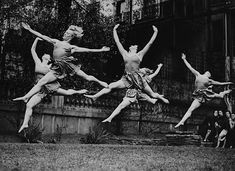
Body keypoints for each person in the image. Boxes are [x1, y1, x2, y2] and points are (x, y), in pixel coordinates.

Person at [13, 23, 110, 103]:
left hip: (68, 65)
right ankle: (26, 97)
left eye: (67, 33)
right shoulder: (56, 42)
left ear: (71, 36)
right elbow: (43, 36)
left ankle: (100, 82)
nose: (64, 34)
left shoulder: (71, 47)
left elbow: (88, 50)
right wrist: (30, 30)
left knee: (87, 77)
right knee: (41, 82)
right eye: (65, 32)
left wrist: (100, 50)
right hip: (57, 68)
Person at [85, 24, 169, 104]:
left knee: (153, 94)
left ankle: (161, 98)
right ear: (130, 48)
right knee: (110, 86)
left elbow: (149, 43)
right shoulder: (125, 54)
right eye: (133, 45)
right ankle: (95, 96)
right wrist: (114, 30)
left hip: (138, 79)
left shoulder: (139, 55)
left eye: (136, 46)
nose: (135, 46)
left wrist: (155, 32)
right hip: (127, 79)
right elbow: (117, 42)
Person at [18, 38, 88, 133]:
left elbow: (61, 67)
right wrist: (36, 39)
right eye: (44, 54)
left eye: (47, 55)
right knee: (29, 105)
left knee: (67, 93)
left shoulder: (51, 67)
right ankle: (25, 123)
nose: (45, 54)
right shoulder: (37, 62)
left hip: (50, 86)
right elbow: (32, 50)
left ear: (48, 58)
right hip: (40, 89)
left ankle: (79, 91)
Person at [175, 53, 232, 128]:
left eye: (209, 73)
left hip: (203, 96)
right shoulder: (198, 75)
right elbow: (190, 67)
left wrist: (228, 83)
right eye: (207, 72)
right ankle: (182, 122)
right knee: (190, 110)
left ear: (209, 75)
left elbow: (219, 83)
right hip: (199, 97)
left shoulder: (209, 80)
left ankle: (223, 94)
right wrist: (184, 59)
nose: (208, 72)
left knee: (215, 95)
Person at [102, 63, 167, 123]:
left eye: (142, 71)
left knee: (152, 97)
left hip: (136, 94)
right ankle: (110, 118)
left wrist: (159, 67)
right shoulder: (134, 75)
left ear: (144, 74)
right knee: (121, 106)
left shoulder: (145, 79)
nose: (140, 71)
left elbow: (155, 74)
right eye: (140, 71)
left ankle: (158, 99)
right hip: (132, 93)